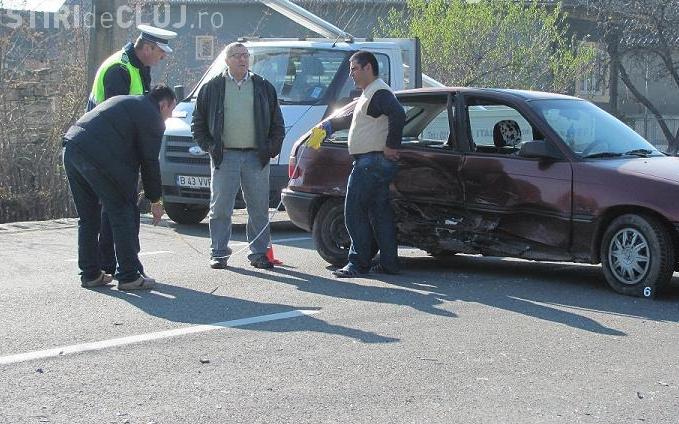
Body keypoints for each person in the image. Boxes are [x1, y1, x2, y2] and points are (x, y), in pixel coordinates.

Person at [86, 24, 177, 282]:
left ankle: (110, 265)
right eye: (160, 52)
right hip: (109, 149)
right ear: (147, 48)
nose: (162, 57)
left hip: (120, 149)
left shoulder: (139, 67)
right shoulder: (120, 69)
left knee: (115, 211)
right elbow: (117, 117)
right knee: (123, 211)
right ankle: (128, 269)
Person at [63, 85, 176, 290]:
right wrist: (155, 200)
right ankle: (129, 276)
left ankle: (90, 274)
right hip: (98, 156)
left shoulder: (129, 102)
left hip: (72, 147)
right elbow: (150, 162)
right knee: (122, 212)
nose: (170, 116)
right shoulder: (152, 116)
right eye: (171, 110)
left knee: (88, 217)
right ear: (164, 105)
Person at [191, 42, 285, 270]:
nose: (243, 59)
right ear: (227, 60)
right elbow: (197, 123)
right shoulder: (212, 87)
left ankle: (259, 253)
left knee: (259, 208)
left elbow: (277, 124)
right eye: (237, 55)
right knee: (220, 208)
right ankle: (219, 252)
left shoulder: (263, 86)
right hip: (225, 156)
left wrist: (271, 148)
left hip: (256, 157)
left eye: (245, 55)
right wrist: (210, 146)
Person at [317, 50, 406, 278]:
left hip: (371, 162)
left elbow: (398, 113)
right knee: (379, 213)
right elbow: (354, 118)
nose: (351, 74)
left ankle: (357, 263)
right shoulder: (370, 93)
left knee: (354, 211)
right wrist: (329, 126)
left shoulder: (379, 92)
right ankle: (389, 264)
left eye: (354, 68)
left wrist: (392, 145)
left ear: (368, 68)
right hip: (374, 162)